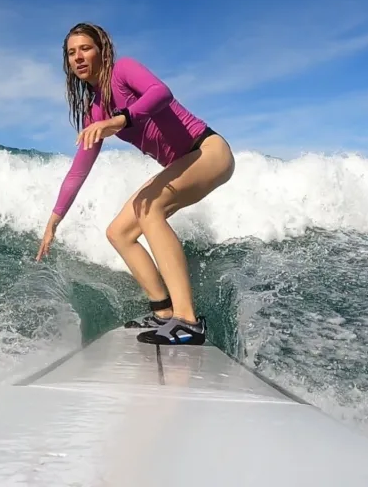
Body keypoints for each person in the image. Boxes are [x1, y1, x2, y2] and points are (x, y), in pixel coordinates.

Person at [35, 22, 236, 345]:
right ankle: (164, 311)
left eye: (85, 48)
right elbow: (78, 171)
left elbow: (161, 93)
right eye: (71, 53)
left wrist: (121, 119)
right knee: (119, 232)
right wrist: (54, 220)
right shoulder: (94, 112)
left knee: (150, 209)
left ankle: (188, 320)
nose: (78, 57)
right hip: (184, 163)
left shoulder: (123, 70)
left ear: (102, 49)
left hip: (208, 150)